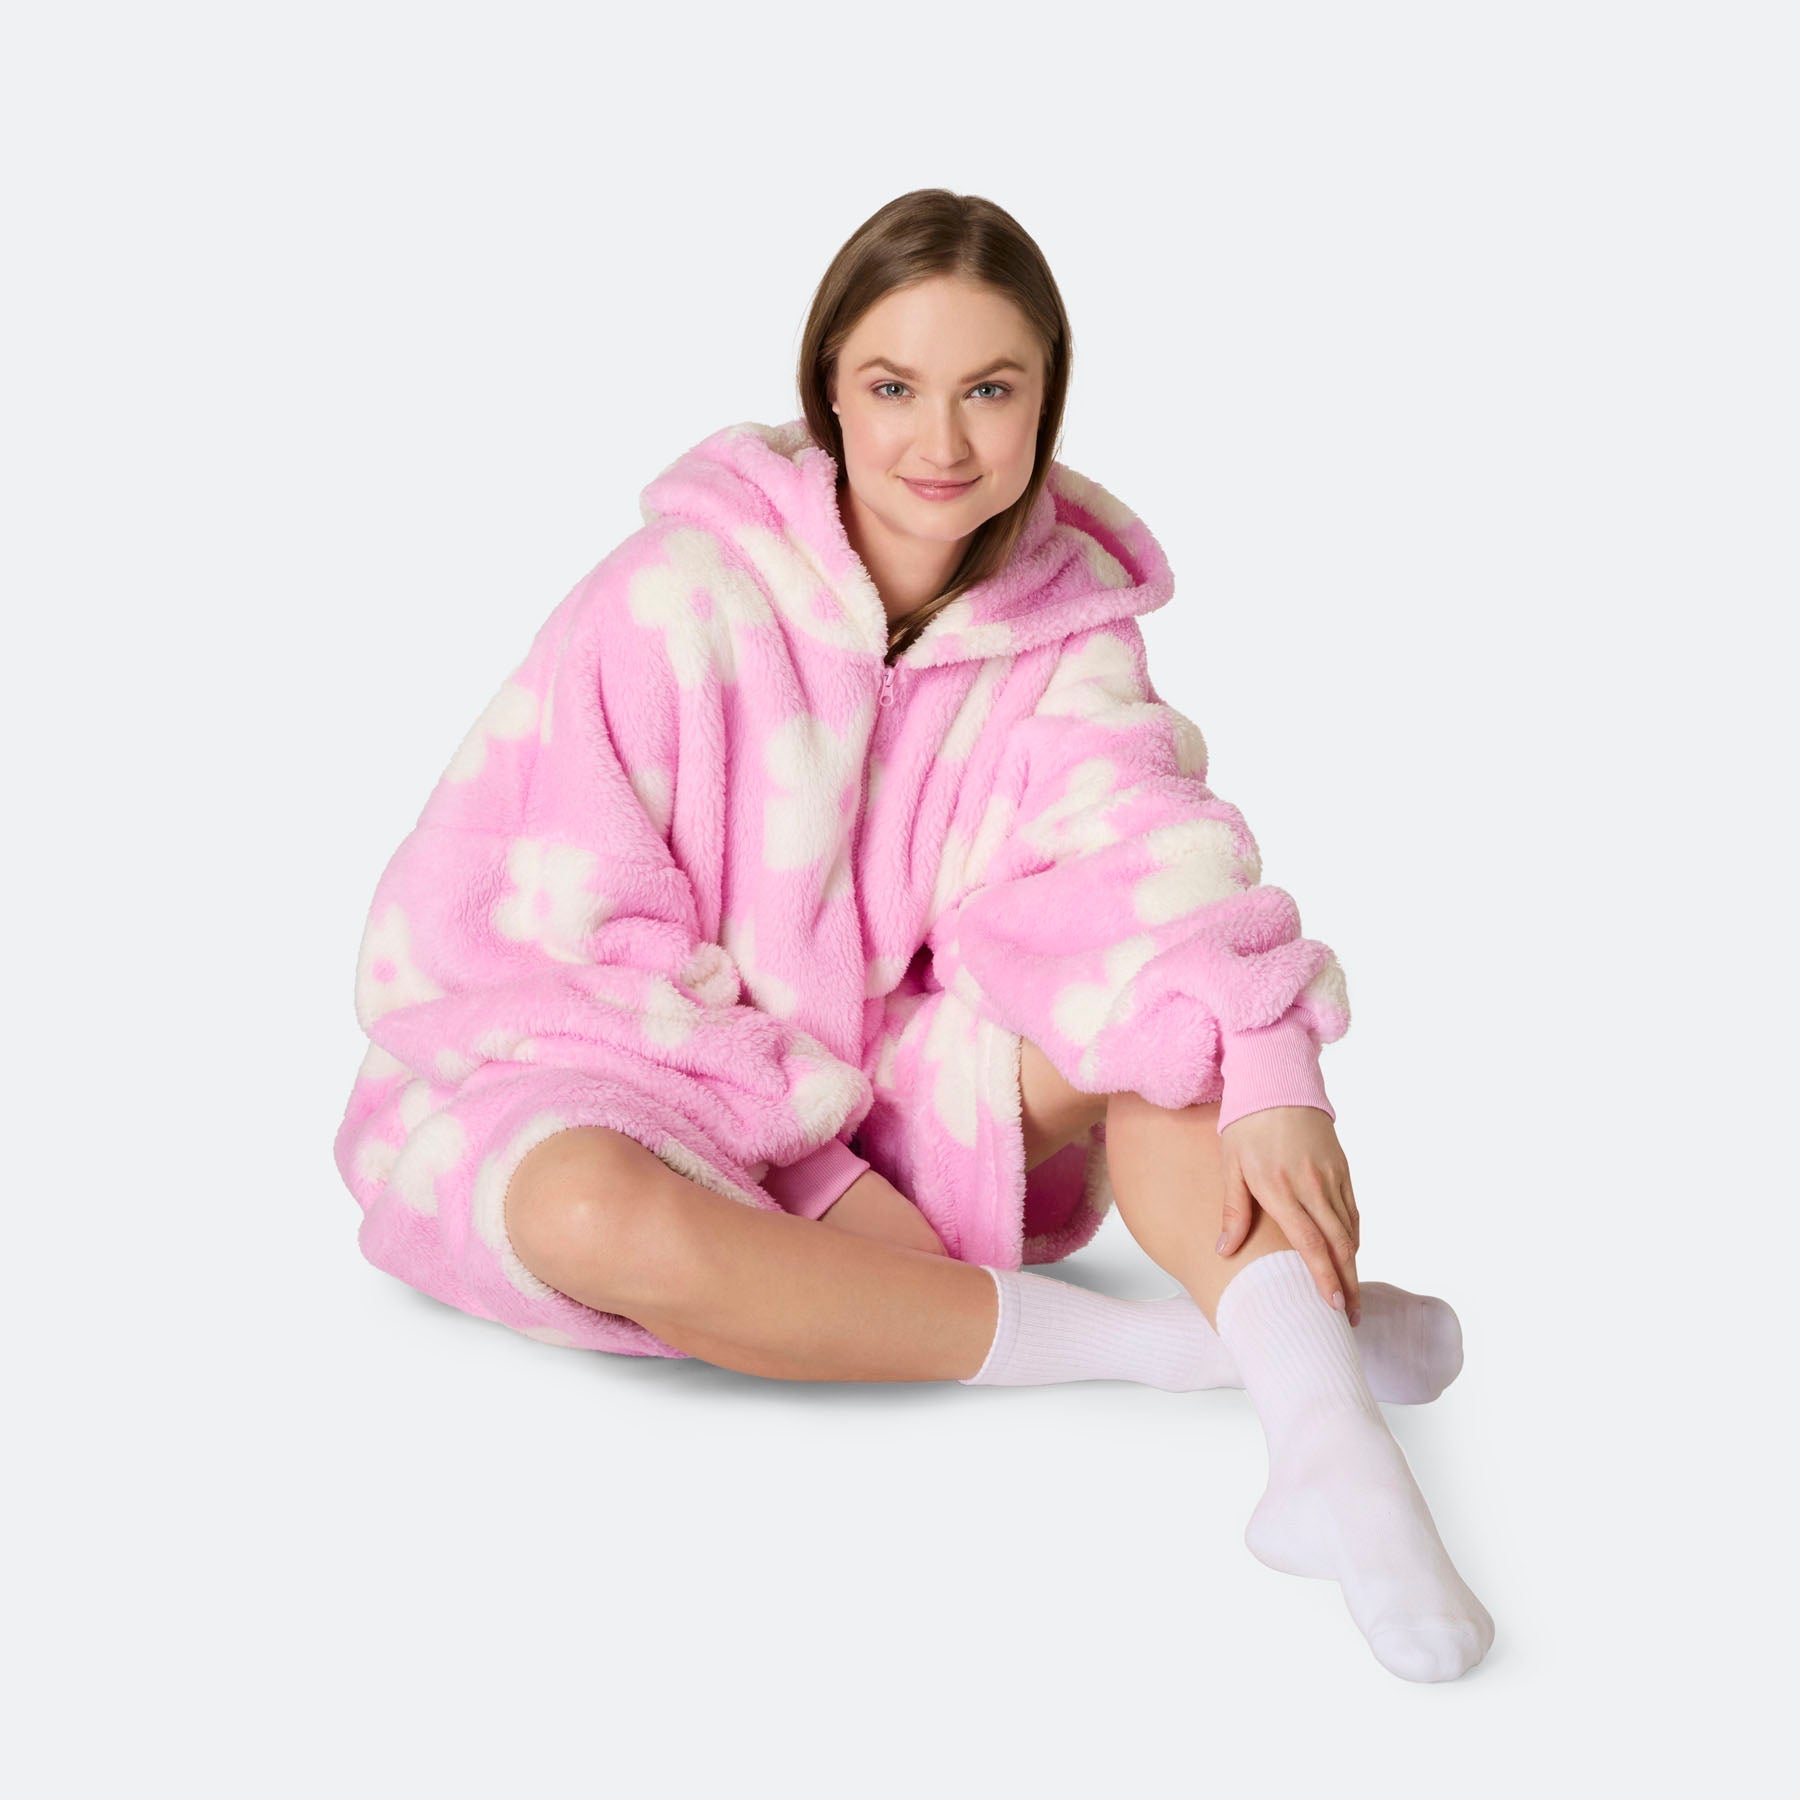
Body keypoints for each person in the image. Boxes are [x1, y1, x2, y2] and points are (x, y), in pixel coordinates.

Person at [332, 187, 1493, 1682]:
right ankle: (1210, 1349)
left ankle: (1332, 1450)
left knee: (1166, 1022)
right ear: (827, 386)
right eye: (894, 387)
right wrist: (809, 1164)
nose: (940, 443)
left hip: (896, 1082)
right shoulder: (674, 598)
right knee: (582, 1219)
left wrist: (1276, 1074)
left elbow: (1150, 869)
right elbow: (545, 934)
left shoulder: (1062, 631)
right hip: (631, 1075)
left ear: (1046, 402)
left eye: (990, 390)